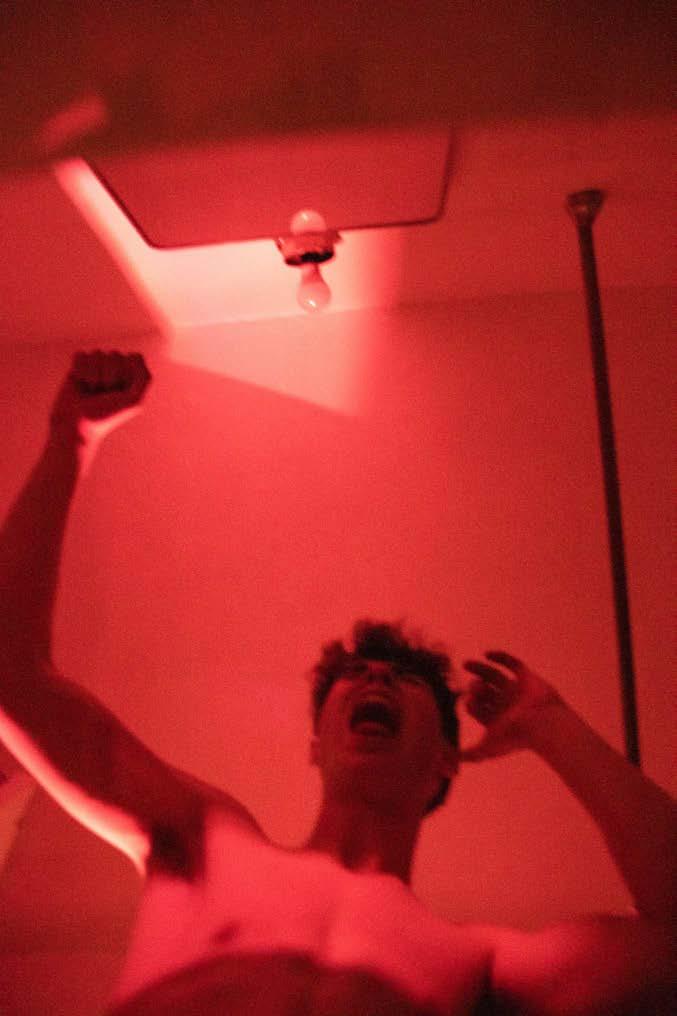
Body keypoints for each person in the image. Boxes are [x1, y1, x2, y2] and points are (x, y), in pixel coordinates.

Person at [0, 351, 675, 1016]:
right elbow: (11, 674)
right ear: (314, 746)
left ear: (446, 758)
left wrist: (553, 725)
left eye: (404, 678)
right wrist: (70, 441)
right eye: (352, 674)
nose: (375, 673)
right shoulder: (204, 839)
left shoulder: (480, 966)